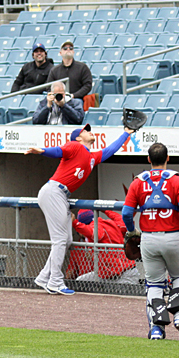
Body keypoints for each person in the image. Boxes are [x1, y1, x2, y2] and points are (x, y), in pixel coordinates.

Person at [25, 123, 134, 295]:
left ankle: (44, 276)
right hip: (54, 191)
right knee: (60, 240)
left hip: (60, 194)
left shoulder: (92, 156)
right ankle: (55, 281)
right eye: (86, 131)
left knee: (66, 240)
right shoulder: (76, 146)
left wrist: (126, 134)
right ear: (78, 137)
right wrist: (43, 151)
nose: (90, 132)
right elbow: (59, 151)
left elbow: (111, 149)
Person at [122, 143, 179, 340]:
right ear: (168, 158)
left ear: (149, 160)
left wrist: (132, 230)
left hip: (149, 239)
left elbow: (126, 213)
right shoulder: (178, 180)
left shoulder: (137, 182)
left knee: (154, 284)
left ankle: (157, 330)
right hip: (174, 237)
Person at [66, 210, 140, 284]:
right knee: (80, 281)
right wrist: (105, 209)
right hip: (106, 275)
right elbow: (120, 219)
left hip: (125, 274)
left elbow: (92, 232)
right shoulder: (108, 223)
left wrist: (75, 223)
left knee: (119, 294)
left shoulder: (96, 226)